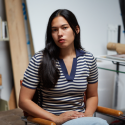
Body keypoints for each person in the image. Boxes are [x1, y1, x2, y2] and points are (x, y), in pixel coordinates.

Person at [19, 9, 108, 125]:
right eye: (54, 30)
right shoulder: (39, 60)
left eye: (64, 28)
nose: (59, 33)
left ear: (76, 29)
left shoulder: (88, 59)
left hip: (80, 121)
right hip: (50, 122)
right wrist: (55, 118)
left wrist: (87, 117)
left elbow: (92, 95)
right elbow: (23, 101)